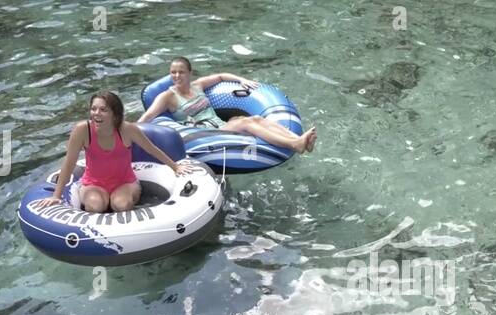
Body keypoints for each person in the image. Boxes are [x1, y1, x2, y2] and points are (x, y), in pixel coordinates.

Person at [36, 91, 194, 212]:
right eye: (93, 109)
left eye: (103, 110)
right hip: (93, 183)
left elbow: (151, 149)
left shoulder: (127, 129)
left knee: (121, 204)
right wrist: (56, 196)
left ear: (114, 114)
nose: (96, 113)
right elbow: (69, 163)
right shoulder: (83, 130)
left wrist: (175, 167)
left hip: (125, 182)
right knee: (94, 205)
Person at [137, 57, 316, 154]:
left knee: (256, 118)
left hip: (220, 125)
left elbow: (221, 76)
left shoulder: (197, 85)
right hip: (204, 133)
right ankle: (294, 145)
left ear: (189, 73)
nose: (176, 76)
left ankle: (297, 139)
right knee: (247, 122)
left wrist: (241, 79)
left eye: (181, 72)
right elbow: (146, 118)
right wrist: (127, 133)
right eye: (173, 72)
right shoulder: (167, 97)